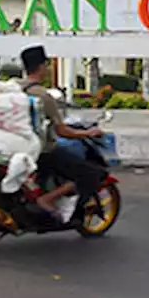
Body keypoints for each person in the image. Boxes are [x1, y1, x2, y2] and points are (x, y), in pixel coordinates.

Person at [18, 44, 105, 218]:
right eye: (46, 65)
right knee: (92, 174)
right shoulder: (43, 95)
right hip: (41, 152)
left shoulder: (14, 88)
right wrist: (88, 133)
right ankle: (48, 199)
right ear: (42, 66)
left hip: (17, 147)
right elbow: (62, 131)